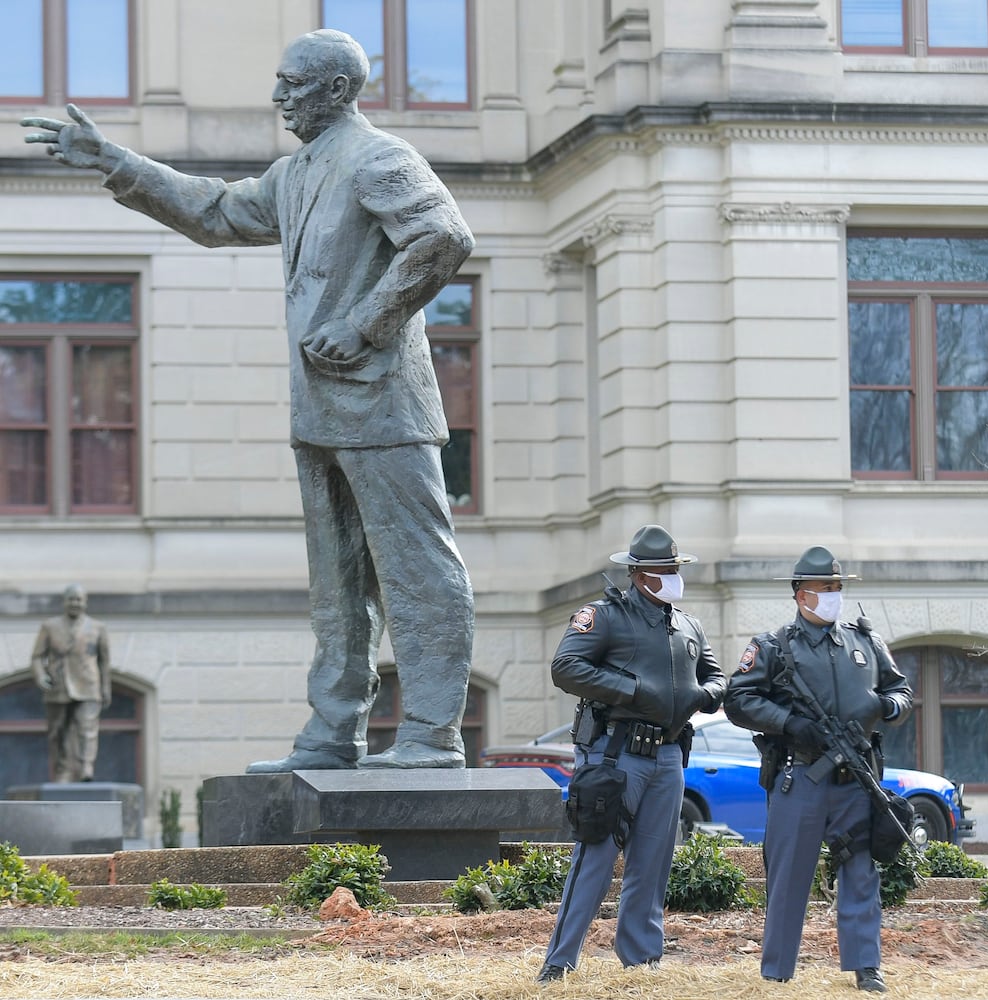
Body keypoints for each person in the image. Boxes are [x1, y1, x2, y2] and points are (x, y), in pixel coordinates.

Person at [23, 29, 476, 771]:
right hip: (322, 408)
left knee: (417, 573)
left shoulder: (380, 156)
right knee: (337, 586)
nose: (277, 97)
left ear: (336, 90)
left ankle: (430, 733)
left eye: (292, 84)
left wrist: (366, 326)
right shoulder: (297, 173)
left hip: (385, 403)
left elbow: (443, 237)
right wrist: (114, 161)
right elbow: (215, 211)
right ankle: (332, 732)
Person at [536, 524, 727, 982]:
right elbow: (566, 667)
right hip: (615, 754)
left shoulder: (687, 624)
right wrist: (634, 689)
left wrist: (703, 696)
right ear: (640, 574)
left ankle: (642, 958)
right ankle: (559, 962)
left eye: (676, 569)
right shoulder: (605, 616)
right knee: (595, 857)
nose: (673, 577)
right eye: (664, 570)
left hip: (666, 756)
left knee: (654, 859)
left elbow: (718, 679)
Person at [723, 545, 914, 993]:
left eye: (837, 587)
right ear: (801, 595)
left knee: (861, 871)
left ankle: (867, 966)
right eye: (824, 588)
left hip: (856, 780)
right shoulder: (773, 647)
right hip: (800, 778)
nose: (833, 595)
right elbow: (738, 699)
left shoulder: (866, 641)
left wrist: (887, 706)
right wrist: (789, 723)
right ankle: (777, 969)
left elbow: (901, 690)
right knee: (789, 875)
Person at [30, 584, 112, 783]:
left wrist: (105, 687)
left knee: (87, 728)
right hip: (58, 686)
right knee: (58, 731)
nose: (75, 603)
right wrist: (40, 676)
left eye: (79, 599)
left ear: (85, 602)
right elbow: (37, 657)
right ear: (64, 602)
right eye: (71, 599)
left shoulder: (98, 627)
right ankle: (63, 771)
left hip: (88, 685)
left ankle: (86, 766)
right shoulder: (49, 626)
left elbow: (104, 660)